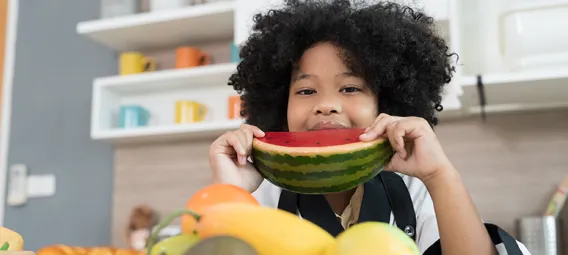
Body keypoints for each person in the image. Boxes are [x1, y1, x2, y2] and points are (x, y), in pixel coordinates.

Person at [208, 0, 532, 254]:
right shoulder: (261, 194)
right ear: (280, 105)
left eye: (350, 88)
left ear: (385, 104)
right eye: (306, 91)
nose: (326, 104)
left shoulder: (416, 189)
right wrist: (231, 189)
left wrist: (440, 175)